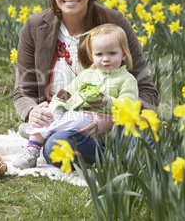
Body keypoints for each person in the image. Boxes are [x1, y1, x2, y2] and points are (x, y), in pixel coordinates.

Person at [13, 0, 158, 169]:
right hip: (67, 122)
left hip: (115, 118)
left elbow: (147, 90)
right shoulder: (35, 26)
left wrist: (112, 119)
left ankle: (128, 158)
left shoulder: (114, 23)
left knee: (140, 138)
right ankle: (118, 160)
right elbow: (22, 92)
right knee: (55, 145)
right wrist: (32, 112)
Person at [13, 23, 139, 169]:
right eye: (99, 54)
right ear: (92, 55)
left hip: (101, 128)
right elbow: (70, 92)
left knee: (70, 123)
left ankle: (41, 132)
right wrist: (60, 99)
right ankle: (32, 151)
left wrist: (108, 101)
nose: (105, 59)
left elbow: (130, 105)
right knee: (49, 113)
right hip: (78, 124)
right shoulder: (86, 75)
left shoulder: (126, 79)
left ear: (124, 54)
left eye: (112, 53)